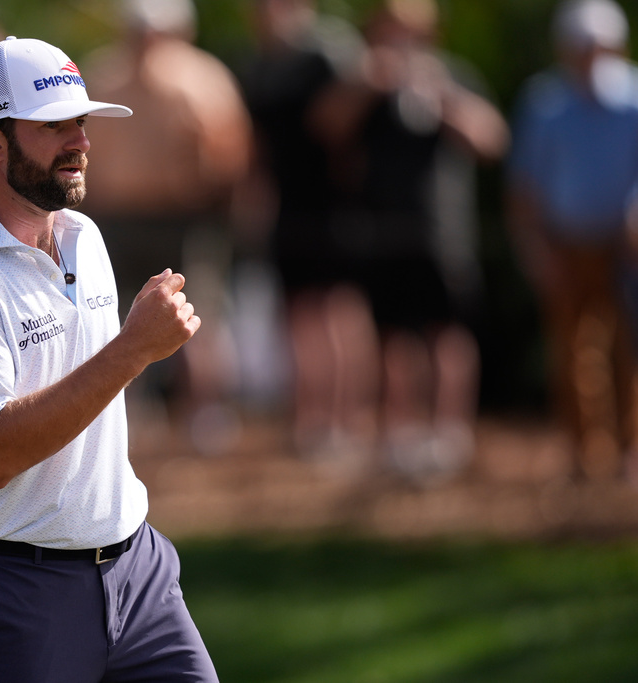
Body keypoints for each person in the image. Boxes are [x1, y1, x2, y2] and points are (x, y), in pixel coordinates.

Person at [0, 37, 216, 681]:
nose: (81, 140)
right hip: (20, 589)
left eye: (82, 120)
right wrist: (135, 349)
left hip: (140, 574)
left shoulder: (83, 235)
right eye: (54, 125)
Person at [310, 0, 508, 483]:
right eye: (391, 30)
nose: (401, 40)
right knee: (391, 340)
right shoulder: (366, 83)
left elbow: (493, 142)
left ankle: (449, 433)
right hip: (382, 233)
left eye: (410, 31)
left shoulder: (452, 76)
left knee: (449, 335)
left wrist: (442, 97)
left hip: (444, 234)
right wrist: (369, 85)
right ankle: (401, 437)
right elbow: (325, 127)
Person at [505, 0, 638, 483]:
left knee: (637, 351)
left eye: (601, 46)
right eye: (583, 47)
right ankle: (586, 453)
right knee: (573, 355)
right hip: (567, 244)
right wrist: (537, 251)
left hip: (629, 247)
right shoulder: (543, 105)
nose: (592, 55)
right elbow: (524, 190)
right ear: (565, 50)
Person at [80, 0, 254, 452]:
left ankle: (203, 413)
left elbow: (228, 154)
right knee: (116, 318)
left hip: (179, 216)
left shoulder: (192, 78)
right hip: (123, 217)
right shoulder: (115, 75)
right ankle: (135, 418)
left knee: (195, 317)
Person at [238, 0, 381, 463]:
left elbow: (356, 132)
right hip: (288, 210)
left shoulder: (332, 53)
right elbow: (258, 146)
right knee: (298, 316)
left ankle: (349, 422)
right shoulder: (260, 66)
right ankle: (311, 424)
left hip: (336, 209)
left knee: (340, 313)